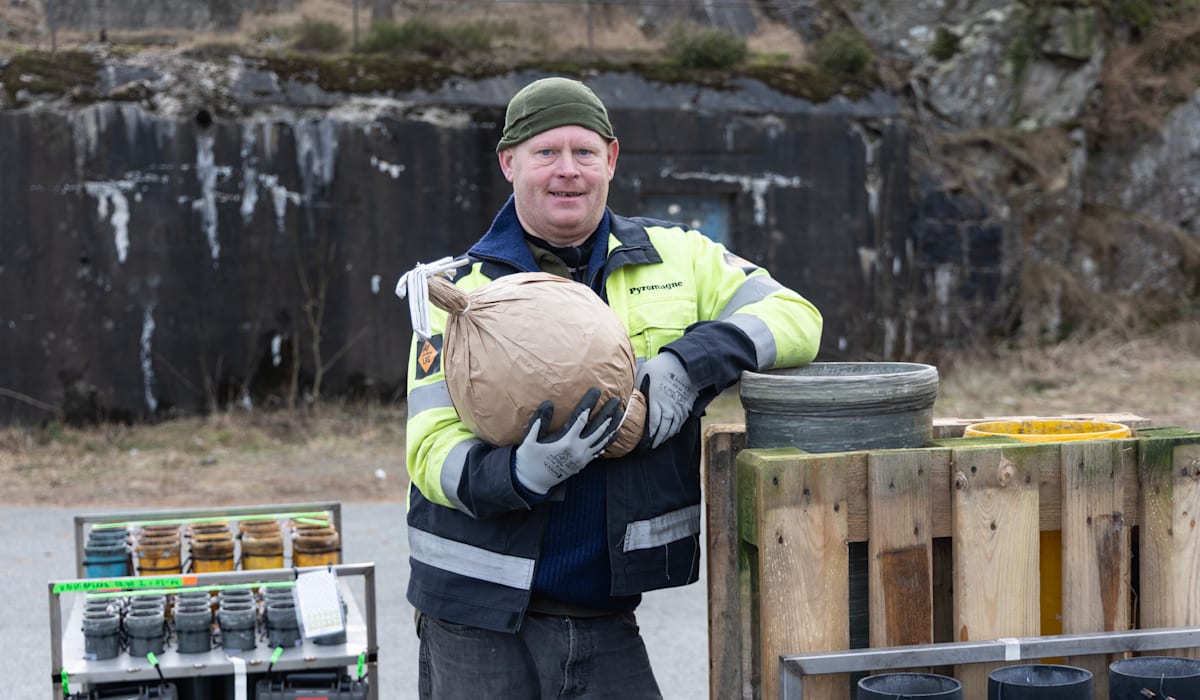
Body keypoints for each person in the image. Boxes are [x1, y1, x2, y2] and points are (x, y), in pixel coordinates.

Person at [404, 76, 823, 698]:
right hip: (474, 616)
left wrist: (689, 363)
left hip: (603, 614)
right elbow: (429, 445)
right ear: (509, 162)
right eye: (546, 152)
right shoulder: (460, 292)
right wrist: (516, 475)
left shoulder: (677, 257)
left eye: (584, 151)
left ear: (612, 159)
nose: (567, 170)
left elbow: (796, 317)